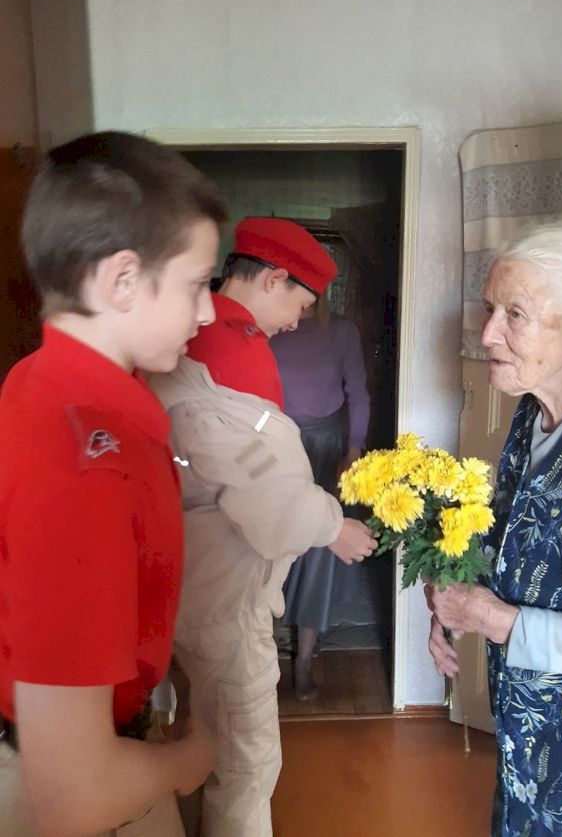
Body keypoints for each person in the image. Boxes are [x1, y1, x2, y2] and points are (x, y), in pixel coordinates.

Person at [0, 131, 227, 836]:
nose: (208, 312)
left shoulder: (39, 382)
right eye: (196, 283)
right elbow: (76, 797)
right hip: (71, 772)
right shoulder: (86, 459)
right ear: (122, 279)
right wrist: (186, 762)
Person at [150, 216, 377, 837]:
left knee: (206, 735)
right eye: (300, 304)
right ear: (273, 278)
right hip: (224, 588)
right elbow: (264, 494)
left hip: (188, 570)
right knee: (247, 762)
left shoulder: (201, 335)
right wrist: (334, 525)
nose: (299, 322)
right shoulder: (234, 349)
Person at [427, 218, 562, 836]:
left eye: (514, 314)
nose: (487, 333)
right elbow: (514, 539)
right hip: (528, 746)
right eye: (490, 308)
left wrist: (493, 620)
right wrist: (451, 595)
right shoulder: (532, 413)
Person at [270, 295, 370, 700]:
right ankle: (261, 651)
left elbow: (358, 392)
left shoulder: (342, 331)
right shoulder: (269, 329)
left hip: (328, 449)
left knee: (320, 552)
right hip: (276, 445)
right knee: (272, 544)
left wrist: (354, 450)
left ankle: (304, 660)